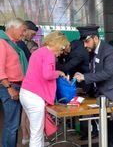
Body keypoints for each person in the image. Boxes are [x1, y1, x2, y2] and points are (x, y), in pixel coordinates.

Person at [73, 26, 113, 147]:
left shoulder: (109, 51)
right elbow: (94, 72)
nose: (85, 45)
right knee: (106, 131)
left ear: (96, 38)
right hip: (103, 98)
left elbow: (107, 73)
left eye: (87, 42)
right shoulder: (93, 52)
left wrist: (85, 77)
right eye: (83, 42)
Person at [19, 31, 68, 147]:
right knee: (36, 133)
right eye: (61, 49)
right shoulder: (49, 54)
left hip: (26, 93)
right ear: (57, 45)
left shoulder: (39, 51)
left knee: (37, 131)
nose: (61, 53)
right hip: (35, 97)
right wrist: (58, 72)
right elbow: (47, 74)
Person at [0, 18, 28, 147]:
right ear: (13, 28)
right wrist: (9, 87)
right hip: (9, 86)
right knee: (11, 125)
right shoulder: (2, 43)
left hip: (15, 85)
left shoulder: (12, 44)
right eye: (22, 30)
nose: (23, 33)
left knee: (13, 124)